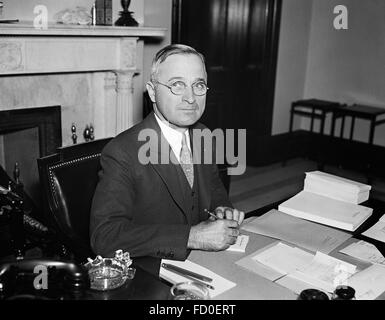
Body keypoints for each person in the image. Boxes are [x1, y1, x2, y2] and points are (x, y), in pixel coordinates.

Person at [90, 44, 244, 261]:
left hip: (204, 261)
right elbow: (104, 238)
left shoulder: (204, 135)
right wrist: (192, 237)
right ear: (153, 91)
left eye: (198, 85)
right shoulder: (122, 151)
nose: (191, 98)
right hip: (151, 271)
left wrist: (222, 209)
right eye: (177, 85)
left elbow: (214, 187)